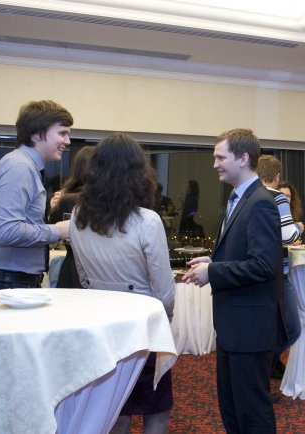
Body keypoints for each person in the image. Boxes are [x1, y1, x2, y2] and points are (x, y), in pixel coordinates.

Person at [69, 133, 175, 434]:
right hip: (143, 329)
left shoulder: (78, 216)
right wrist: (166, 321)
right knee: (157, 409)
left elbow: (83, 277)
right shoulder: (148, 221)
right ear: (139, 174)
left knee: (115, 408)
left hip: (101, 326)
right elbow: (165, 292)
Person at [184, 128, 285, 433]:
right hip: (235, 326)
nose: (215, 163)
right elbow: (245, 254)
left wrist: (213, 273)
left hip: (249, 329)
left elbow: (264, 266)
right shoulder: (240, 198)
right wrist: (213, 262)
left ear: (243, 159)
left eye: (220, 157)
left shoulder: (260, 202)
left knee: (251, 413)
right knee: (232, 409)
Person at [0, 100, 72, 291]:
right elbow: (7, 231)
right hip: (9, 281)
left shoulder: (25, 166)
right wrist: (58, 230)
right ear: (37, 134)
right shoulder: (19, 167)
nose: (67, 141)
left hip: (13, 279)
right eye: (62, 133)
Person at [256, 155, 302, 381]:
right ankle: (262, 367)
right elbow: (288, 236)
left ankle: (263, 369)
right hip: (277, 274)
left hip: (257, 273)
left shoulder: (248, 197)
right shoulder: (277, 197)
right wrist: (299, 228)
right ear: (277, 176)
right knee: (292, 329)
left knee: (266, 328)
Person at [48, 146, 95, 288]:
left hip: (72, 269)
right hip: (103, 271)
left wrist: (52, 208)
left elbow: (50, 237)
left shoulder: (67, 200)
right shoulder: (111, 201)